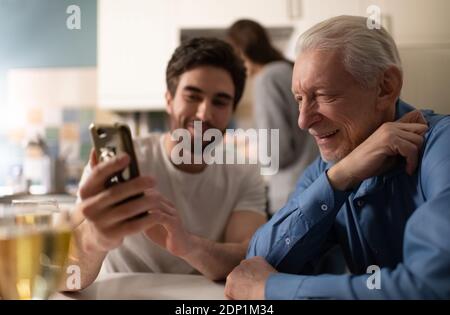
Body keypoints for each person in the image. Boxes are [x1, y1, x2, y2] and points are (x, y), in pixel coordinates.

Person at [225, 15, 450, 299]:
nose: (303, 121)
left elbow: (431, 286)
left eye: (322, 95)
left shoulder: (443, 147)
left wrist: (271, 289)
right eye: (298, 99)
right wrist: (343, 175)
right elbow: (259, 260)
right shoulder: (328, 171)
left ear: (386, 87)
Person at [66, 38, 267, 290]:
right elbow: (64, 275)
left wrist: (187, 245)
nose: (204, 113)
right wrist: (96, 238)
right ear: (169, 100)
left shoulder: (245, 173)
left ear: (231, 110)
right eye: (192, 96)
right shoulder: (121, 161)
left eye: (220, 101)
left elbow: (247, 259)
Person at [227, 19, 318, 214]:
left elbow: (276, 154)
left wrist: (242, 154)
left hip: (292, 195)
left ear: (241, 52)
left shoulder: (267, 79)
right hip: (315, 185)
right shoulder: (288, 70)